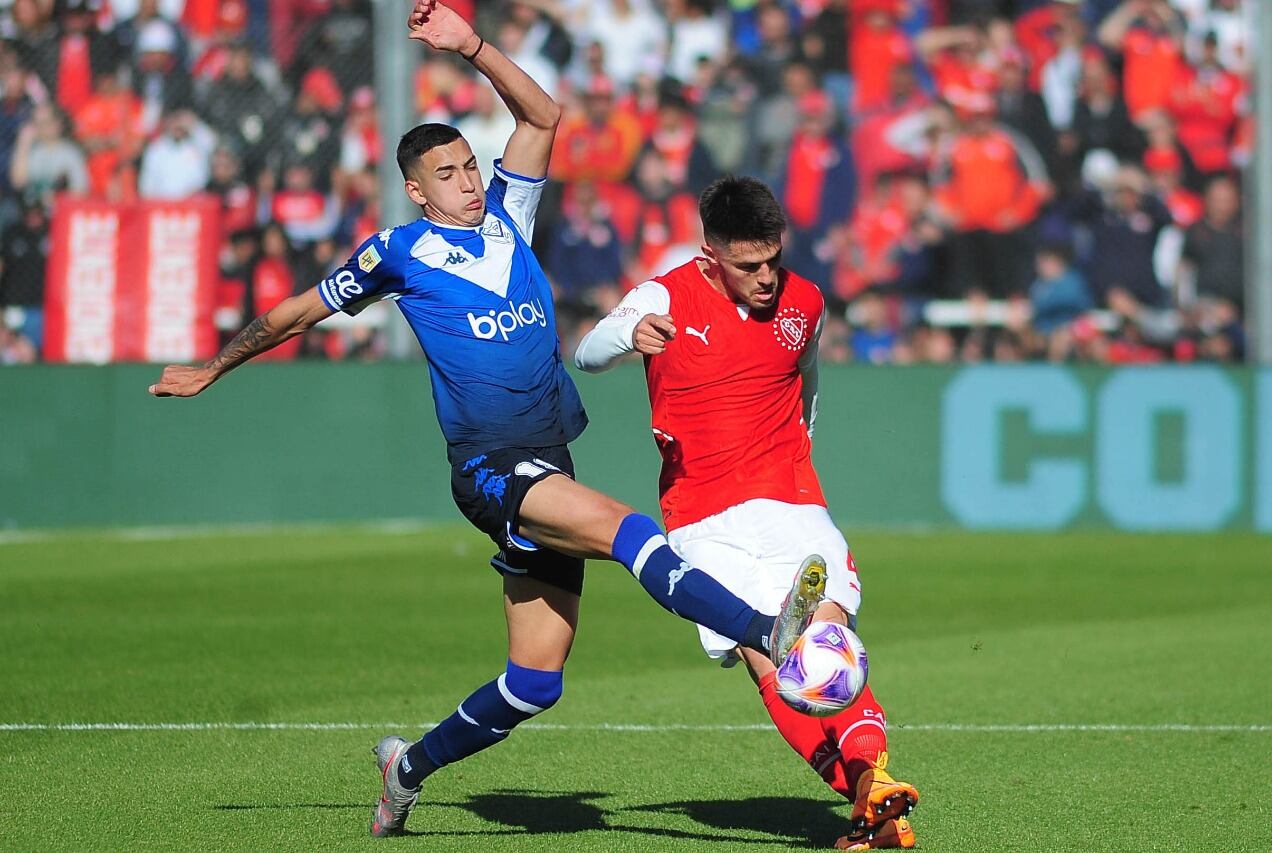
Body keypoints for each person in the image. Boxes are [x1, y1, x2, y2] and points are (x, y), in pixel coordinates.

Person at [147, 1, 819, 838]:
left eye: (471, 164)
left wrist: (471, 47)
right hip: (493, 468)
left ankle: (407, 768)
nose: (469, 179)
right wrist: (215, 365)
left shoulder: (512, 216)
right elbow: (294, 313)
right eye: (451, 173)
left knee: (534, 680)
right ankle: (770, 635)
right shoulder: (395, 253)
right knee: (627, 529)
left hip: (546, 458)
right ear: (417, 190)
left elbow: (543, 115)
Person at [574, 176, 920, 851]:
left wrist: (800, 461)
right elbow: (587, 352)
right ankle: (869, 798)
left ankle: (871, 789)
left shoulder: (807, 302)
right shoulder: (665, 295)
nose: (766, 278)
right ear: (711, 257)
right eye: (748, 265)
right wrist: (627, 336)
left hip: (790, 497)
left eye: (773, 260)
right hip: (702, 515)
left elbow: (807, 386)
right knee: (770, 662)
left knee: (825, 644)